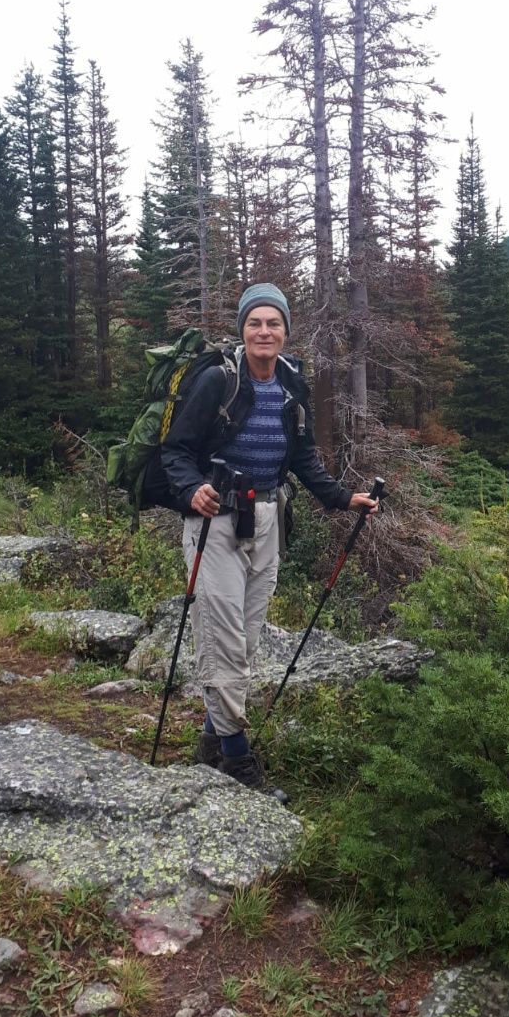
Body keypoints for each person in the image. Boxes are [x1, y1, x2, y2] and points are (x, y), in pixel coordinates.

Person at [160, 282, 378, 790]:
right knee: (223, 641)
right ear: (243, 329)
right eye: (255, 322)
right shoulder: (218, 380)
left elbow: (301, 456)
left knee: (248, 638)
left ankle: (211, 742)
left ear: (285, 330)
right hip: (215, 522)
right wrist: (192, 490)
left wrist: (341, 498)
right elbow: (176, 450)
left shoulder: (291, 384)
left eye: (273, 323)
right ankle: (238, 760)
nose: (264, 331)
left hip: (267, 519)